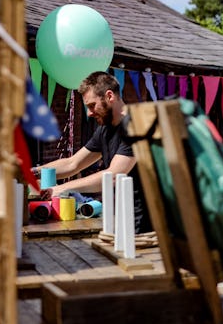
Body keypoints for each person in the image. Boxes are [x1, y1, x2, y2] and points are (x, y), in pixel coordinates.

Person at [35, 71, 151, 233]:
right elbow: (72, 163)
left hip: (149, 225)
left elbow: (115, 175)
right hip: (125, 220)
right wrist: (32, 173)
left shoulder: (134, 125)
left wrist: (62, 189)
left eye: (91, 105)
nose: (89, 113)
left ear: (109, 96)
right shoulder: (105, 129)